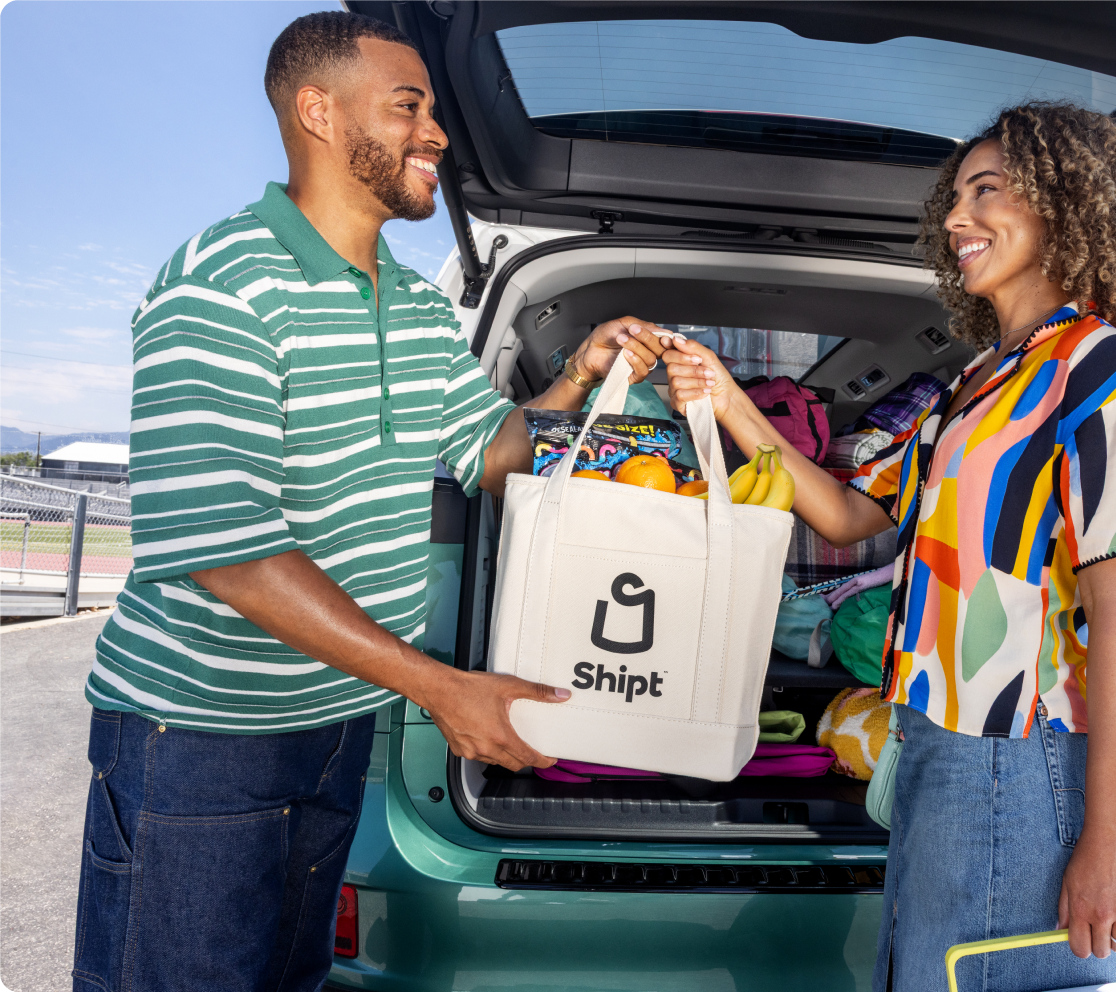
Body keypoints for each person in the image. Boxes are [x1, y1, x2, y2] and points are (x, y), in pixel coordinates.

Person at [71, 13, 671, 992]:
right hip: (203, 741)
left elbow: (493, 454)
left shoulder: (413, 305)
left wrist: (581, 372)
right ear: (317, 112)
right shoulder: (222, 285)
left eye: (432, 108)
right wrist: (442, 688)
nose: (435, 131)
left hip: (334, 723)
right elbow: (228, 555)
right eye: (408, 105)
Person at [666, 102, 1116, 991]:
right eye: (955, 196)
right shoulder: (976, 379)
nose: (957, 218)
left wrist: (1112, 835)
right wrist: (728, 398)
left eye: (988, 191)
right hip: (934, 736)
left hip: (1015, 748)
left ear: (1066, 204)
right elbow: (848, 513)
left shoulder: (1096, 364)